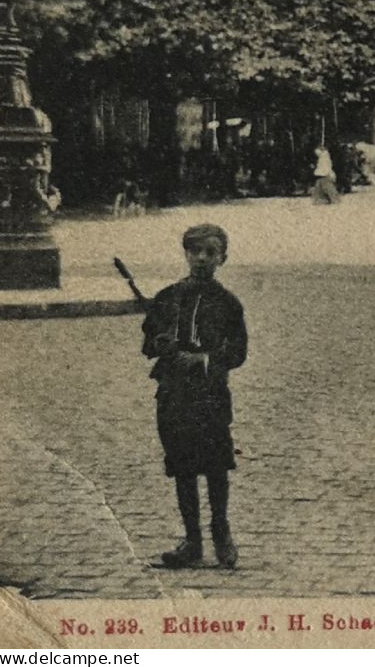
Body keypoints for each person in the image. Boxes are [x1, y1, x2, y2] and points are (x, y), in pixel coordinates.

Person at [141, 224, 248, 569]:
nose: (201, 259)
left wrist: (202, 360)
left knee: (216, 464)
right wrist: (158, 343)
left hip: (210, 393)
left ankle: (221, 533)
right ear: (185, 254)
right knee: (182, 464)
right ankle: (191, 541)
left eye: (210, 253)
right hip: (174, 392)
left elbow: (238, 352)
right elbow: (148, 343)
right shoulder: (167, 297)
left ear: (222, 259)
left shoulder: (229, 304)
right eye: (195, 251)